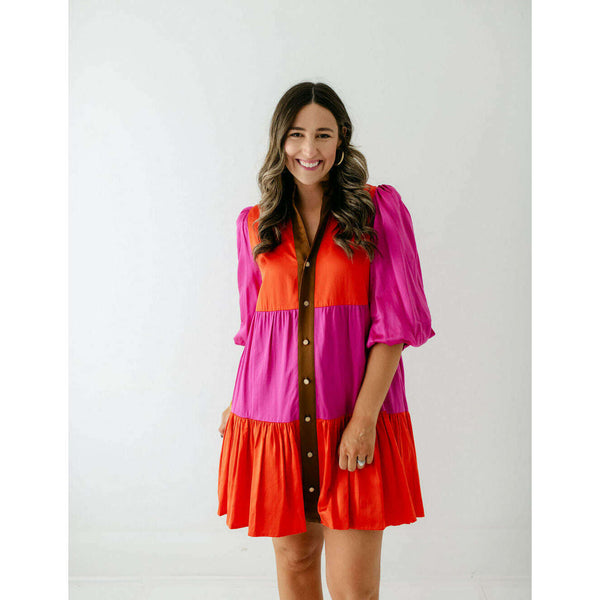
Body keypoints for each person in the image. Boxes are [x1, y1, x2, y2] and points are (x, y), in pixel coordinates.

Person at [217, 81, 435, 600]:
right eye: (296, 135)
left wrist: (363, 421)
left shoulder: (377, 210)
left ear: (341, 140)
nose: (308, 149)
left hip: (352, 416)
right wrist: (236, 402)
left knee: (355, 590)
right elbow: (257, 331)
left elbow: (394, 327)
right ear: (280, 140)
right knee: (294, 561)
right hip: (273, 418)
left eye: (323, 134)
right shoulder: (255, 225)